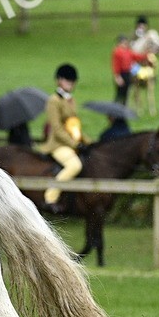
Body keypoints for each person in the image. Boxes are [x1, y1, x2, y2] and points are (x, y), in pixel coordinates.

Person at [39, 63, 91, 211]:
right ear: (59, 81)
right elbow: (57, 128)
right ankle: (50, 197)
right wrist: (75, 144)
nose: (70, 83)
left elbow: (74, 126)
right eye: (67, 80)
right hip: (57, 144)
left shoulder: (70, 100)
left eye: (72, 81)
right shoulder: (53, 101)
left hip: (70, 143)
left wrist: (88, 141)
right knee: (75, 165)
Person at [110, 35, 150, 105]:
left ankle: (123, 110)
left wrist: (146, 54)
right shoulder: (117, 52)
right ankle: (115, 110)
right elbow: (116, 65)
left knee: (126, 93)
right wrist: (117, 76)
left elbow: (136, 56)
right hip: (122, 74)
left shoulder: (128, 51)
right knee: (120, 94)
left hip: (127, 73)